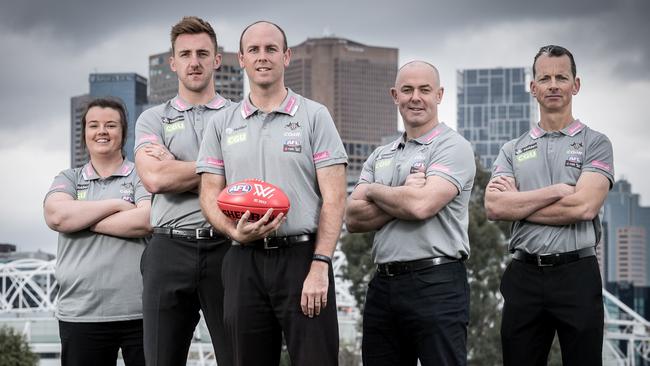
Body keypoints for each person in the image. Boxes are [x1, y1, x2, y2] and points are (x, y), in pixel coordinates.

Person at [197, 20, 347, 366]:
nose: (262, 57)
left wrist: (320, 264)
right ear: (242, 59)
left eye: (271, 49)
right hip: (241, 258)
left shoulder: (314, 116)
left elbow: (335, 198)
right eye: (254, 50)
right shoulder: (222, 122)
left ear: (286, 56)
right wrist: (232, 229)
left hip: (301, 258)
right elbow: (208, 194)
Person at [485, 45, 613, 366]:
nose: (553, 84)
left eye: (561, 77)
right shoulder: (512, 149)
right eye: (545, 78)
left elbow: (583, 207)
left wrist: (519, 204)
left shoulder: (595, 143)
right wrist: (557, 191)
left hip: (577, 275)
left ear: (576, 85)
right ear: (533, 88)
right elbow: (494, 207)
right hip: (524, 275)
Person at [345, 61, 476, 366]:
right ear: (395, 95)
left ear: (439, 94)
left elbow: (421, 206)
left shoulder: (452, 147)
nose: (415, 97)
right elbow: (352, 218)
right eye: (407, 90)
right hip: (383, 285)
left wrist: (375, 190)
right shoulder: (381, 154)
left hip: (437, 282)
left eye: (424, 90)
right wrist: (403, 191)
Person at [133, 16, 232, 366]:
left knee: (238, 356)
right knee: (160, 358)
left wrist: (178, 164)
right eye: (186, 54)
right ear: (173, 62)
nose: (195, 62)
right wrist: (220, 167)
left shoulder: (239, 117)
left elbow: (252, 178)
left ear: (217, 59)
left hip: (226, 245)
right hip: (167, 248)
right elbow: (156, 179)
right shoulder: (151, 119)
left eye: (203, 53)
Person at [44, 98, 151, 366]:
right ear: (84, 134)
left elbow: (147, 219)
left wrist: (80, 217)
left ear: (123, 133)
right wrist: (116, 205)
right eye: (94, 125)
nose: (102, 131)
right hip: (80, 313)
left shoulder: (141, 176)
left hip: (141, 312)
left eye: (110, 125)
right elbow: (57, 215)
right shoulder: (68, 178)